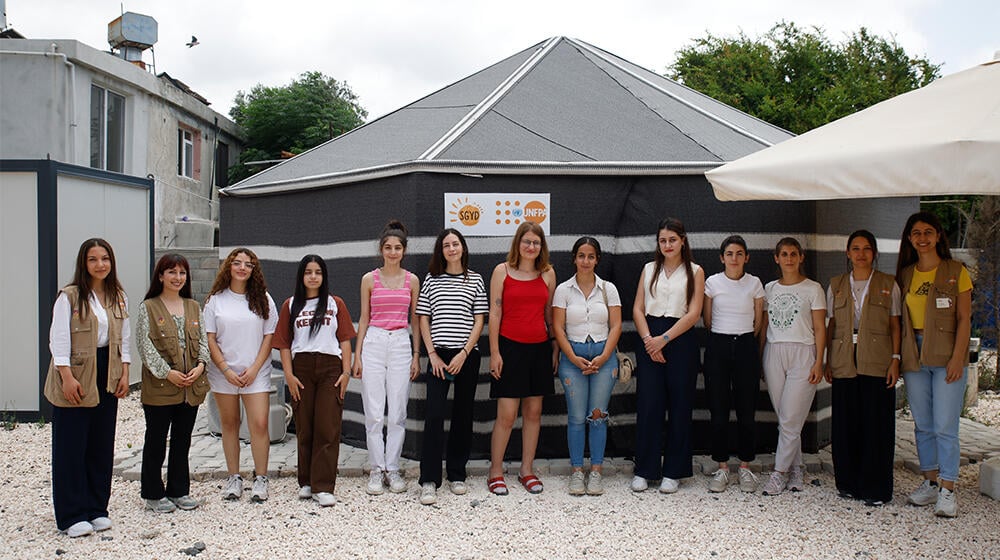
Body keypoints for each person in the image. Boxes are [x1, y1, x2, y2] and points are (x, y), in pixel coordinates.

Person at [44, 238, 131, 537]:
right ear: (84, 263)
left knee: (100, 443)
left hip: (108, 371)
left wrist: (125, 372)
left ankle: (96, 508)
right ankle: (71, 514)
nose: (100, 264)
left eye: (105, 258)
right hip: (78, 371)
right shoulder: (69, 297)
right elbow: (58, 341)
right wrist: (66, 377)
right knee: (71, 445)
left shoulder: (117, 296)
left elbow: (125, 338)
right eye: (93, 259)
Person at [896, 212, 973, 518]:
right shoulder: (906, 274)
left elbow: (965, 318)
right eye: (916, 233)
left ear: (939, 235)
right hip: (915, 354)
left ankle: (948, 489)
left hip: (946, 355)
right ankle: (930, 482)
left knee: (945, 425)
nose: (923, 238)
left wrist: (958, 357)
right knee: (923, 424)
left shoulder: (956, 271)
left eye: (928, 232)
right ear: (910, 238)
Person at [824, 230, 901, 506]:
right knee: (846, 425)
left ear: (875, 253)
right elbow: (830, 324)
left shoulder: (888, 284)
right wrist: (826, 359)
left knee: (876, 425)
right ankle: (848, 484)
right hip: (844, 360)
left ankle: (877, 489)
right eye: (855, 248)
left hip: (878, 361)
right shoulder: (836, 285)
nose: (860, 254)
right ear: (847, 253)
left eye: (866, 248)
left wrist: (896, 359)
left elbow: (895, 324)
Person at [273, 255, 356, 507]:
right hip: (302, 368)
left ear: (324, 276)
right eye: (308, 272)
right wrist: (288, 375)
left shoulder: (335, 303)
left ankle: (324, 486)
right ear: (301, 276)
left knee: (327, 427)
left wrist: (346, 372)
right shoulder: (290, 305)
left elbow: (344, 340)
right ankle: (307, 482)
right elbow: (284, 345)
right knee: (304, 426)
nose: (312, 276)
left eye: (317, 272)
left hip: (331, 368)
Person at [631, 218, 705, 494]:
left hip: (680, 338)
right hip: (650, 335)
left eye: (672, 240)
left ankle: (673, 471)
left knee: (679, 405)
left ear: (683, 240)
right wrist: (650, 340)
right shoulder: (649, 269)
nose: (667, 245)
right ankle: (645, 469)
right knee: (649, 404)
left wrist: (664, 339)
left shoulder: (695, 271)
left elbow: (694, 312)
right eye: (662, 240)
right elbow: (638, 308)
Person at [416, 229, 488, 505]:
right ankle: (429, 480)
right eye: (446, 245)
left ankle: (457, 474)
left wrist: (465, 352)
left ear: (463, 247)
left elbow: (479, 319)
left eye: (455, 243)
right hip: (438, 355)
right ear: (440, 250)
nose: (451, 248)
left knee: (463, 414)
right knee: (434, 415)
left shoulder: (476, 279)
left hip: (466, 355)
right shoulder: (432, 279)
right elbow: (423, 318)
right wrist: (431, 354)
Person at [487, 221, 557, 496]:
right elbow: (494, 314)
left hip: (539, 349)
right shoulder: (501, 272)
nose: (531, 247)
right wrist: (494, 352)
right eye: (526, 241)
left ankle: (526, 470)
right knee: (506, 414)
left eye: (536, 243)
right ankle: (495, 471)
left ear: (542, 247)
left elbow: (550, 315)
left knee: (533, 413)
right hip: (509, 349)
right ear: (518, 243)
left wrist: (554, 348)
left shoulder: (548, 273)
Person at [136, 254, 210, 514]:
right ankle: (153, 493)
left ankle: (179, 490)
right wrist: (167, 373)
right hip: (160, 387)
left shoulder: (193, 306)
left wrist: (201, 366)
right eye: (172, 272)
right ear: (160, 276)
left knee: (182, 440)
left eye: (182, 273)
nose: (177, 278)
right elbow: (145, 347)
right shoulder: (149, 307)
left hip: (190, 387)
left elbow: (203, 341)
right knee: (156, 439)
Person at [204, 248, 278, 502]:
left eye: (248, 264)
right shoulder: (216, 300)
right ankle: (234, 477)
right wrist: (225, 368)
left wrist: (256, 367)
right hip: (223, 372)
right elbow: (210, 338)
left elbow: (270, 336)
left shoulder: (264, 299)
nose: (242, 268)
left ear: (254, 270)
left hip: (255, 372)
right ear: (229, 267)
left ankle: (261, 478)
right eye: (237, 263)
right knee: (230, 423)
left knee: (258, 423)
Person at [353, 220, 421, 495]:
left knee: (397, 411)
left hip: (401, 343)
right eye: (388, 247)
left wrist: (417, 354)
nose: (393, 252)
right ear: (381, 250)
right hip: (374, 341)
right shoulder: (369, 279)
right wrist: (356, 355)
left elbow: (415, 319)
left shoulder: (412, 280)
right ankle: (375, 469)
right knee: (373, 410)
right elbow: (364, 318)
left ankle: (392, 468)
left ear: (404, 251)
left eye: (397, 248)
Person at [552, 237, 621, 496]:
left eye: (591, 256)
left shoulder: (608, 289)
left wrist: (603, 357)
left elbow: (616, 325)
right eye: (581, 256)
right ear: (574, 258)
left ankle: (597, 472)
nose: (586, 261)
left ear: (597, 259)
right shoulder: (563, 290)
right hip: (573, 359)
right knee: (576, 417)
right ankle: (577, 472)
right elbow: (558, 327)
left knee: (597, 416)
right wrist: (571, 356)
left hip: (604, 358)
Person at [761, 237, 827, 496]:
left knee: (790, 418)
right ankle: (796, 468)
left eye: (793, 254)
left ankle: (778, 473)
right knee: (787, 418)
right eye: (784, 254)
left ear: (801, 257)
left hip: (803, 352)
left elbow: (821, 327)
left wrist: (819, 361)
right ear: (776, 258)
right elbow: (764, 325)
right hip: (774, 352)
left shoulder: (813, 289)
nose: (789, 258)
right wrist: (760, 357)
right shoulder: (769, 289)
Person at [702, 235, 765, 493]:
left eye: (740, 253)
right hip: (718, 345)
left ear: (746, 257)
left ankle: (746, 466)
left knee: (746, 409)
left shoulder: (755, 284)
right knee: (718, 409)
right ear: (722, 257)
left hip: (746, 346)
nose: (734, 258)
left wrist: (745, 341)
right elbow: (707, 319)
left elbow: (759, 321)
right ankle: (722, 466)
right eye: (730, 253)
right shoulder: (712, 283)